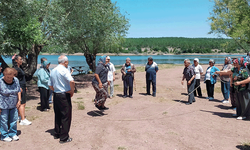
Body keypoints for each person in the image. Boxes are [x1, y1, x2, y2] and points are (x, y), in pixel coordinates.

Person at [48, 55, 75, 143]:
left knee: (58, 114)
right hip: (64, 94)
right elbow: (71, 81)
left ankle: (57, 133)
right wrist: (72, 91)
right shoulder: (64, 70)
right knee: (66, 116)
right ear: (65, 62)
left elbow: (50, 85)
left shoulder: (53, 70)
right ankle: (64, 137)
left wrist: (55, 90)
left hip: (56, 94)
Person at [0, 68, 21, 142]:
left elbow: (18, 90)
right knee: (4, 120)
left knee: (14, 119)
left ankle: (12, 133)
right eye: (7, 77)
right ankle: (4, 135)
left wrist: (19, 100)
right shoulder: (0, 82)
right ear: (4, 74)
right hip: (3, 105)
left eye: (11, 77)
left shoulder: (16, 80)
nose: (9, 79)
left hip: (14, 104)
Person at [12, 55, 32, 125]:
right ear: (16, 60)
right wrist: (19, 87)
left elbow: (22, 79)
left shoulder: (19, 68)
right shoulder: (15, 69)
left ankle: (18, 117)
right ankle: (23, 120)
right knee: (22, 103)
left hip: (23, 86)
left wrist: (25, 86)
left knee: (22, 103)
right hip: (20, 88)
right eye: (20, 59)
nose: (22, 60)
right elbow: (14, 79)